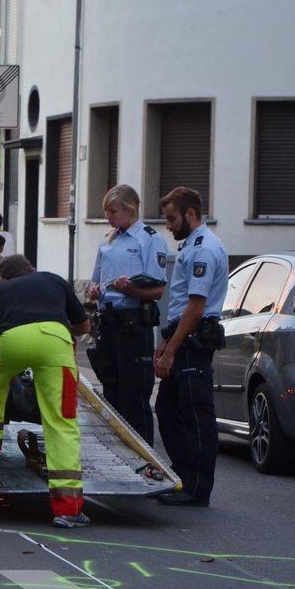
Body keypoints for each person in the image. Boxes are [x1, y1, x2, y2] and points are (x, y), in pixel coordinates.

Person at [0, 254, 92, 528]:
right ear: (32, 270)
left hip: (12, 341)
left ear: (4, 278)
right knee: (60, 420)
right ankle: (68, 510)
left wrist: (12, 373)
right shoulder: (52, 279)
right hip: (54, 340)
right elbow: (84, 326)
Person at [153, 186, 228, 507]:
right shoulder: (192, 246)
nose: (168, 226)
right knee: (168, 409)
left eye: (171, 219)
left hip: (194, 340)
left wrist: (171, 350)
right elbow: (182, 303)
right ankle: (182, 475)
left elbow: (195, 308)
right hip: (181, 336)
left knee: (196, 415)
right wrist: (165, 343)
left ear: (190, 214)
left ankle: (197, 487)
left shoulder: (204, 249)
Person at [86, 184, 168, 445]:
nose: (108, 217)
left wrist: (131, 288)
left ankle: (144, 457)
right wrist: (95, 290)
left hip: (133, 323)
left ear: (129, 209)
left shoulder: (149, 239)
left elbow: (157, 290)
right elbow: (94, 282)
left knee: (133, 395)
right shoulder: (109, 239)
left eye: (112, 211)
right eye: (106, 212)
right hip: (108, 322)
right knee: (110, 391)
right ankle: (116, 450)